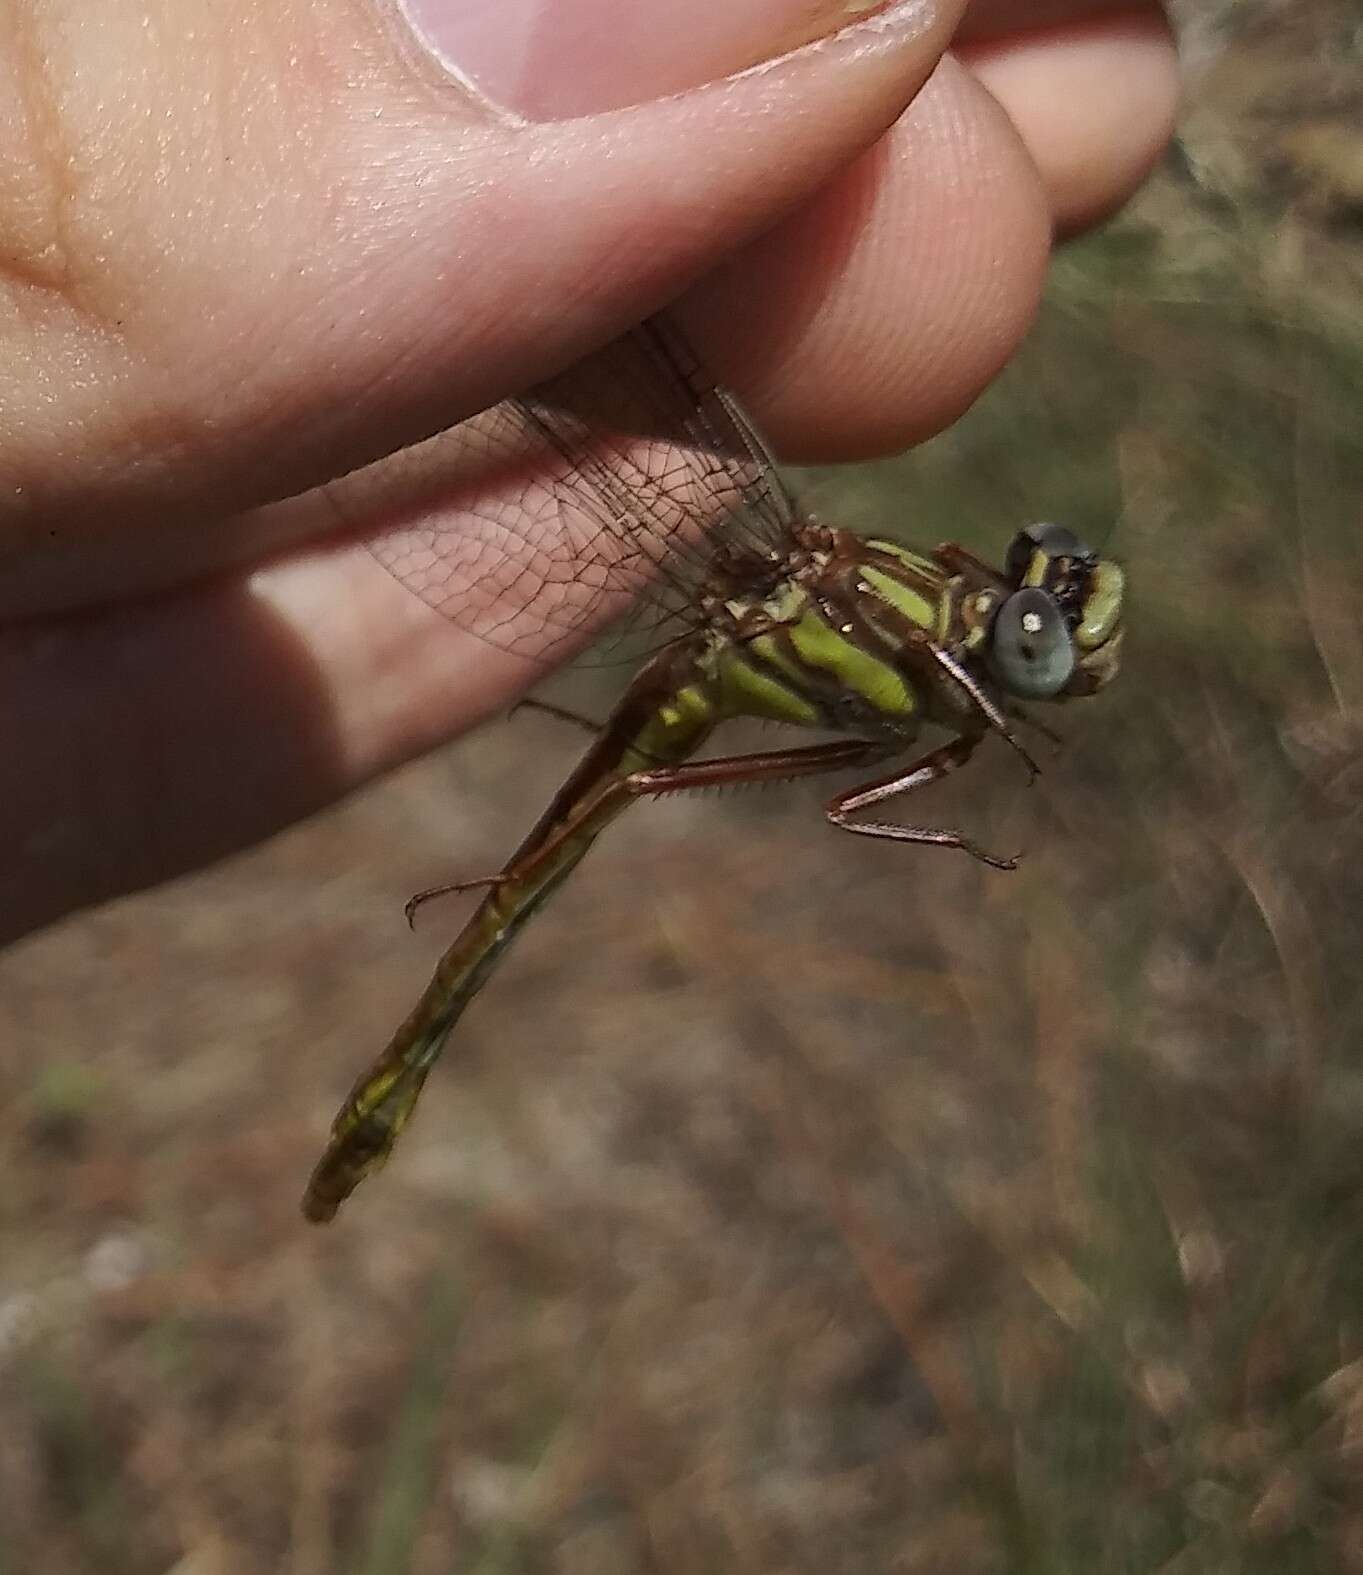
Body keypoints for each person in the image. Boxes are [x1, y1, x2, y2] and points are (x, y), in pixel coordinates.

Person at [0, 0, 1179, 944]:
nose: (1007, 594)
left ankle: (488, 921)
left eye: (1028, 631)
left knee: (635, 777)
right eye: (1037, 587)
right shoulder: (940, 655)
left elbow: (852, 796)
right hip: (747, 622)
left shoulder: (944, 692)